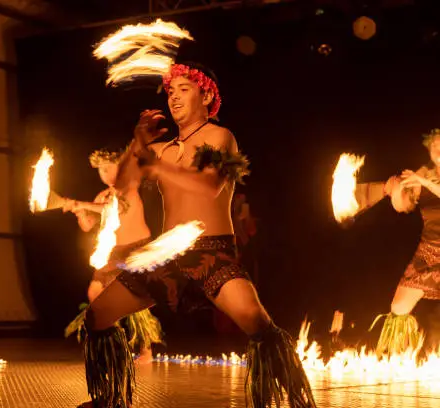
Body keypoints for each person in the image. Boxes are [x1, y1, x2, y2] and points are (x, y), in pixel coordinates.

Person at [77, 62, 316, 408]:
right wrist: (138, 142)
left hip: (211, 252)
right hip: (164, 256)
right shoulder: (163, 148)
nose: (173, 97)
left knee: (257, 322)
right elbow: (123, 183)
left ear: (206, 95)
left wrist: (157, 165)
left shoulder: (219, 137)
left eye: (183, 90)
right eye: (170, 92)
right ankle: (109, 399)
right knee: (96, 316)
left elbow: (209, 186)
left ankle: (292, 402)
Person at [63, 148, 162, 364]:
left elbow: (115, 210)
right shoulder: (102, 196)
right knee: (95, 292)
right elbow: (89, 226)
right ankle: (113, 342)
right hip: (113, 253)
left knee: (134, 301)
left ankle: (145, 350)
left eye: (108, 168)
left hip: (135, 250)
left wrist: (82, 204)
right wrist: (80, 213)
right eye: (100, 171)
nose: (105, 174)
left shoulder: (129, 189)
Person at [373, 128, 440, 355]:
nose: (438, 151)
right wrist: (395, 191)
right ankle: (400, 355)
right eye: (434, 147)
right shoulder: (423, 174)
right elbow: (405, 206)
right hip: (430, 249)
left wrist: (423, 181)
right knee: (399, 306)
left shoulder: (424, 178)